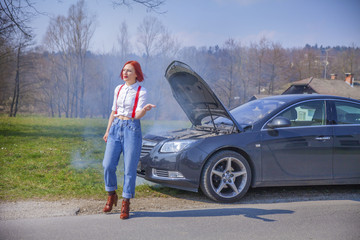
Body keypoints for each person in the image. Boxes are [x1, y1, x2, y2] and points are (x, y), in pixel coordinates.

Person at [102, 60, 155, 220]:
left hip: (132, 128)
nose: (125, 73)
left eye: (129, 71)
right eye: (124, 70)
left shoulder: (141, 91)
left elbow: (137, 114)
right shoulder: (118, 89)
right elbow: (113, 111)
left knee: (129, 169)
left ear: (136, 74)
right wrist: (107, 130)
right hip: (115, 127)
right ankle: (112, 194)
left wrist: (144, 111)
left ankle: (126, 202)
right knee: (107, 164)